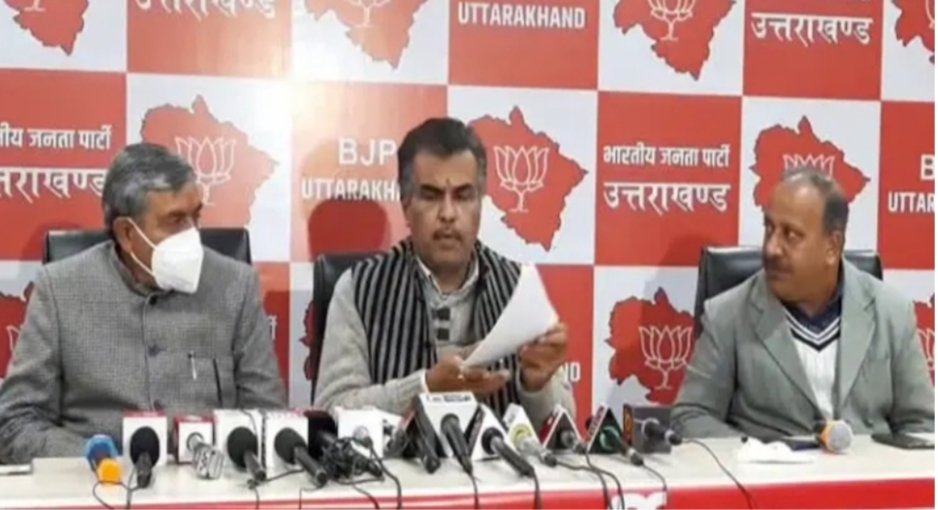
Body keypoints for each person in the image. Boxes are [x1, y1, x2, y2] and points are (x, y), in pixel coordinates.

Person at [0, 143, 285, 464]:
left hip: (209, 481)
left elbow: (268, 415)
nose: (191, 235)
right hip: (97, 482)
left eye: (195, 216)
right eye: (175, 221)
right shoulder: (60, 290)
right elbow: (15, 423)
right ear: (126, 233)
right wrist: (95, 457)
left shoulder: (235, 285)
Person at [313, 118, 575, 428]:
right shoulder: (360, 289)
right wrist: (424, 388)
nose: (448, 214)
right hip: (397, 461)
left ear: (480, 204)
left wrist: (538, 385)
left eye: (463, 196)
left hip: (496, 460)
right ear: (406, 204)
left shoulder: (518, 289)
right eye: (431, 195)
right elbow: (331, 412)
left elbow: (562, 431)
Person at [672, 168, 934, 438]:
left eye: (791, 235)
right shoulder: (727, 315)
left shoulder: (892, 313)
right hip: (766, 464)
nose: (772, 248)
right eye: (769, 229)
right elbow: (691, 416)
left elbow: (923, 425)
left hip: (869, 463)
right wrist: (757, 452)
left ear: (832, 247)